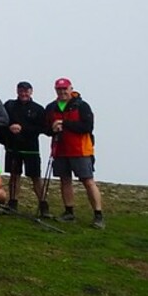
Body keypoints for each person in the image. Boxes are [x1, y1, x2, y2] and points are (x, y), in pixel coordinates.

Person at [45, 78, 103, 229]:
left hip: (81, 150)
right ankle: (69, 211)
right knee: (65, 180)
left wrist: (64, 124)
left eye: (65, 89)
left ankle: (98, 215)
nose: (62, 92)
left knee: (88, 181)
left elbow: (87, 127)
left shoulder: (82, 106)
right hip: (60, 150)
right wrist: (52, 129)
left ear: (71, 89)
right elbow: (46, 129)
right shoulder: (51, 107)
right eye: (59, 89)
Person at [4, 81, 48, 216]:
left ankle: (43, 206)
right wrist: (10, 128)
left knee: (36, 177)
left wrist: (23, 128)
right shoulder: (9, 105)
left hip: (31, 147)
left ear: (31, 92)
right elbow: (3, 122)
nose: (23, 93)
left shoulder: (38, 109)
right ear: (17, 91)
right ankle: (12, 204)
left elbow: (43, 128)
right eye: (21, 91)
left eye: (26, 91)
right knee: (14, 176)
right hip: (13, 147)